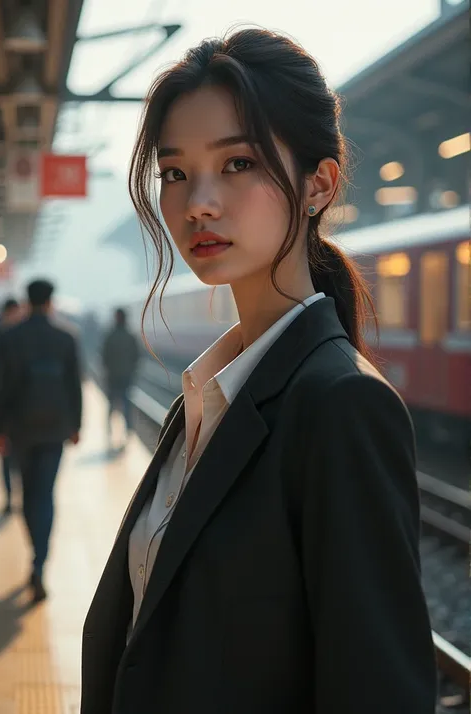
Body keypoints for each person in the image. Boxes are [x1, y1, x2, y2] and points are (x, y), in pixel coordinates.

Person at [81, 28, 437, 714]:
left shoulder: (341, 406)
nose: (197, 203)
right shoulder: (205, 398)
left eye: (238, 163)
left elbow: (378, 690)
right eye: (176, 172)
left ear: (318, 185)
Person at [0, 280, 82, 602]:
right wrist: (76, 425)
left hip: (19, 430)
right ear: (50, 301)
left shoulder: (8, 337)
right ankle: (39, 563)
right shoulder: (66, 336)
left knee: (26, 493)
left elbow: (0, 387)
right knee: (44, 495)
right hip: (54, 430)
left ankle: (35, 552)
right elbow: (75, 384)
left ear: (27, 301)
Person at [0, 298, 22, 514]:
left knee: (13, 459)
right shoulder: (10, 337)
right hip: (7, 411)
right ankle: (10, 497)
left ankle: (15, 496)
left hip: (16, 411)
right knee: (7, 458)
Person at [101, 307, 139, 444]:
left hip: (112, 376)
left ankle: (109, 430)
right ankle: (128, 430)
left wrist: (108, 370)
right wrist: (131, 369)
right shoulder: (130, 336)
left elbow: (104, 356)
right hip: (126, 376)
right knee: (126, 403)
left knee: (111, 404)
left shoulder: (110, 336)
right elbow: (137, 356)